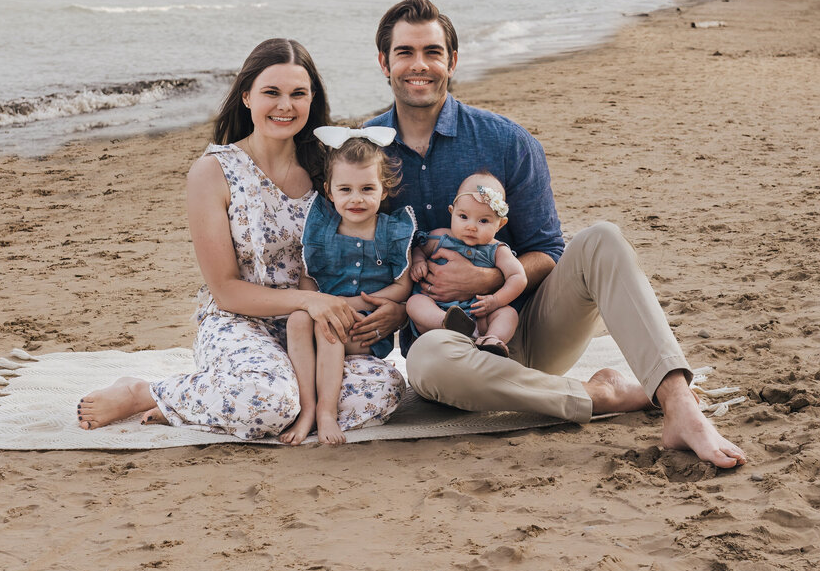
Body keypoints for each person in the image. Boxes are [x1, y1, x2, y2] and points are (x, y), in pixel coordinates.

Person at [366, 0, 746, 468]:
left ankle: (679, 405)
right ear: (384, 62)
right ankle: (602, 394)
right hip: (448, 350)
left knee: (602, 238)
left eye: (432, 52)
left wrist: (490, 281)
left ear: (453, 60)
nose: (418, 65)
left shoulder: (507, 141)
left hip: (530, 332)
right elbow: (356, 260)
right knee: (425, 361)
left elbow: (549, 250)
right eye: (405, 52)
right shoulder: (365, 152)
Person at [76, 38, 406, 439]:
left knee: (384, 387)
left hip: (314, 325)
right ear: (247, 95)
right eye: (272, 93)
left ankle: (228, 401)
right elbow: (227, 290)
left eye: (298, 94)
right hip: (239, 321)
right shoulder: (213, 171)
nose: (285, 105)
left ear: (312, 99)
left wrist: (393, 306)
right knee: (270, 401)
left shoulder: (330, 169)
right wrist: (310, 300)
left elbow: (374, 246)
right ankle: (145, 392)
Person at [282, 128, 416, 445]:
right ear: (329, 191)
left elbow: (402, 287)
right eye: (346, 189)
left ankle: (325, 412)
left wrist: (351, 305)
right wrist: (317, 303)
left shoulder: (393, 231)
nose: (356, 198)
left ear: (384, 190)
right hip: (320, 316)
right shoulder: (321, 229)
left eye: (367, 188)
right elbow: (307, 278)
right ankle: (308, 406)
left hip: (363, 330)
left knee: (328, 328)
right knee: (299, 318)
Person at [406, 172, 526, 358]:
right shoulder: (439, 237)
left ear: (500, 224)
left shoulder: (497, 250)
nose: (471, 226)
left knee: (508, 313)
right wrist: (419, 262)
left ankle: (492, 340)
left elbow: (518, 277)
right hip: (437, 311)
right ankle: (448, 322)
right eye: (463, 217)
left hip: (479, 316)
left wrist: (496, 301)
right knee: (415, 303)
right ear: (451, 212)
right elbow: (419, 250)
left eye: (483, 221)